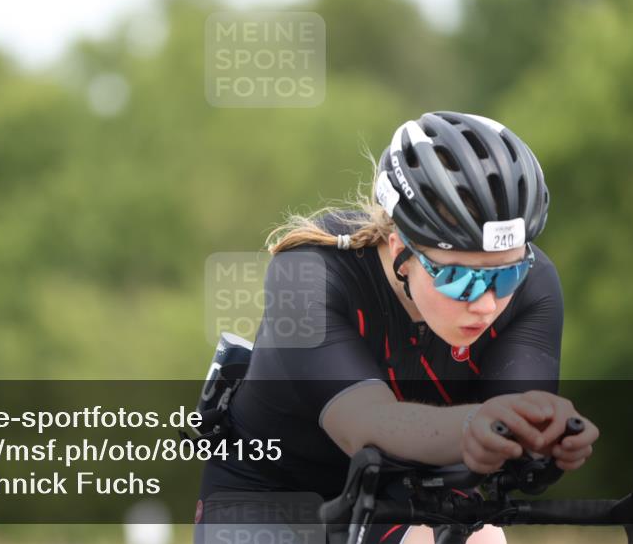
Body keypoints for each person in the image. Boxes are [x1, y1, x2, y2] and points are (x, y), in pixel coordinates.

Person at [194, 111, 600, 544]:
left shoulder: (535, 285)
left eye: (506, 275)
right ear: (401, 250)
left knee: (483, 540)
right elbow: (367, 425)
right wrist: (475, 426)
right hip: (273, 493)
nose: (486, 305)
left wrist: (545, 446)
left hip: (404, 490)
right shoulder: (310, 275)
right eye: (461, 278)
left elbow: (513, 454)